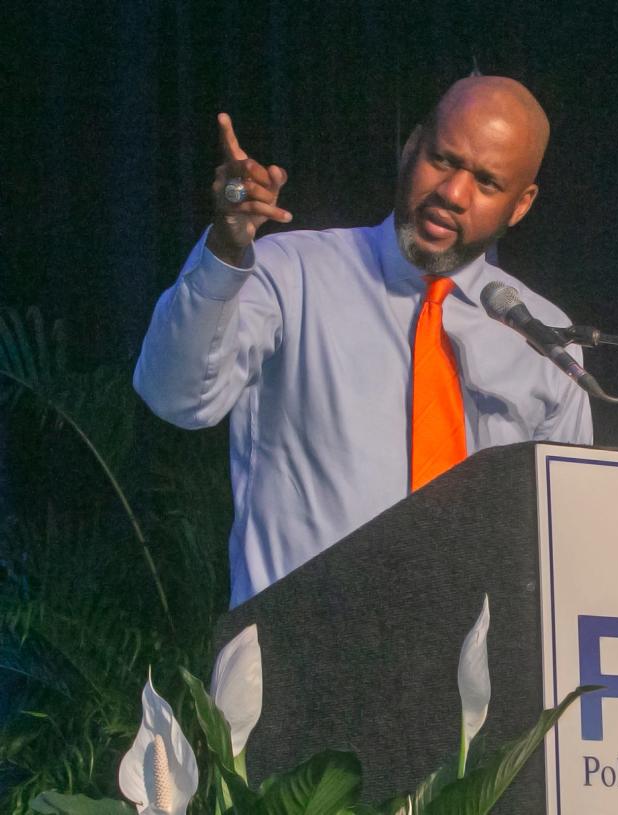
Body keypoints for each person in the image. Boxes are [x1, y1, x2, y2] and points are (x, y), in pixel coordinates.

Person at [134, 76, 593, 607]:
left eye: (488, 183)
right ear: (410, 147)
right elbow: (175, 397)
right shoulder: (292, 274)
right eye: (443, 160)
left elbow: (560, 541)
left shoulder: (545, 337)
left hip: (469, 678)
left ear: (521, 204)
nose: (453, 194)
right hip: (296, 664)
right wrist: (226, 246)